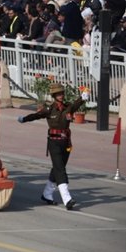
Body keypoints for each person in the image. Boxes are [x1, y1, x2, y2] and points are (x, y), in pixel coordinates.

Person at [18, 82, 87, 210]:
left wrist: (85, 94)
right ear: (54, 95)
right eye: (58, 94)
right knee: (60, 169)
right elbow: (36, 115)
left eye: (62, 93)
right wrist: (24, 119)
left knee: (57, 168)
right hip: (54, 142)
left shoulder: (68, 108)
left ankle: (47, 194)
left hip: (66, 142)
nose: (60, 95)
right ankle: (67, 199)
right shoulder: (50, 110)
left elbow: (78, 103)